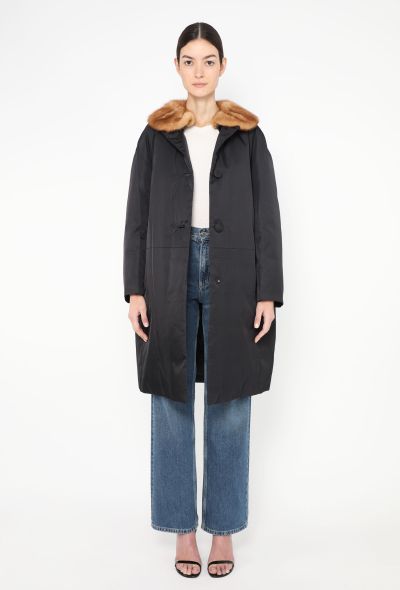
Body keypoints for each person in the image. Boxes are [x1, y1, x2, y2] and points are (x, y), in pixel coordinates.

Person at [123, 22, 284, 578]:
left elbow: (267, 216)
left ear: (222, 66)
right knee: (170, 398)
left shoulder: (247, 135)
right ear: (177, 67)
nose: (198, 71)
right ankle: (182, 532)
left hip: (235, 272)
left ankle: (224, 531)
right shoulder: (155, 135)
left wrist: (268, 292)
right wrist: (135, 288)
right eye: (188, 60)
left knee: (229, 399)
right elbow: (136, 214)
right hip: (166, 271)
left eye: (208, 60)